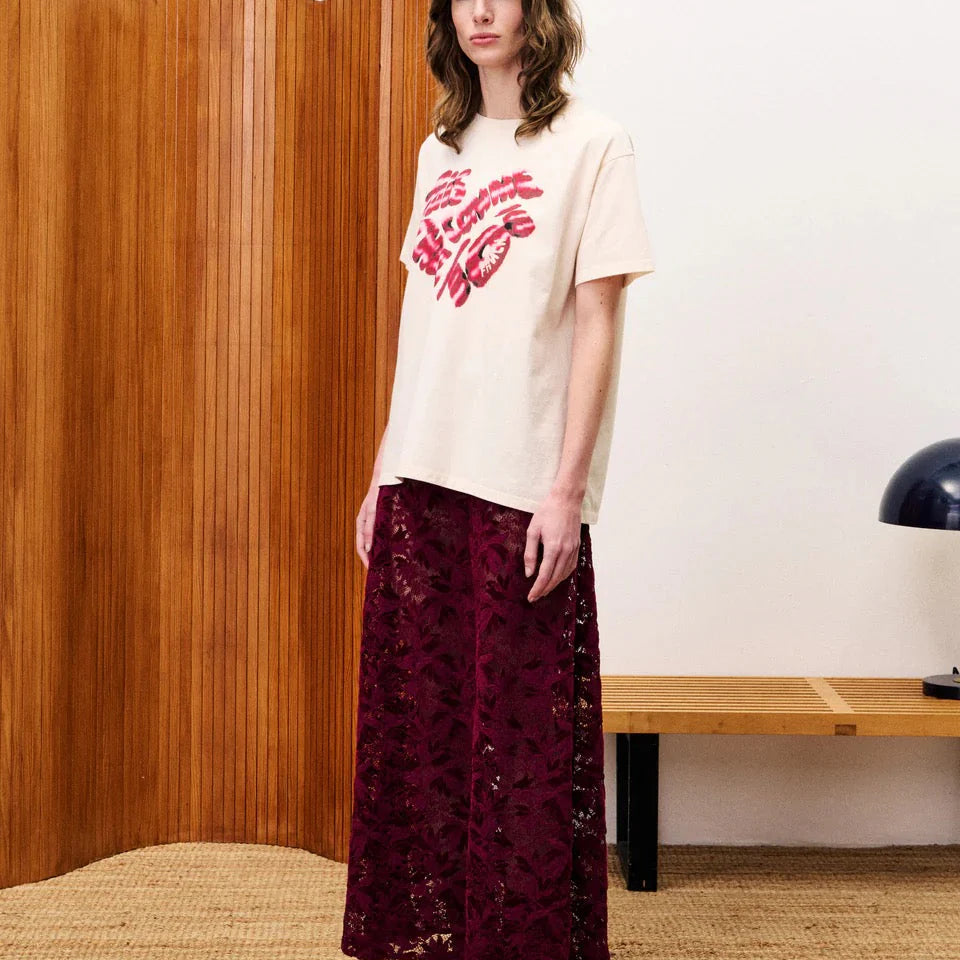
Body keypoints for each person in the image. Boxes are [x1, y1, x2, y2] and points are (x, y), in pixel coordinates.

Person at [341, 1, 655, 958]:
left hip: (518, 487)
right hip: (420, 477)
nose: (481, 9)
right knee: (421, 744)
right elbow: (423, 325)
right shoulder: (439, 152)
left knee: (519, 745)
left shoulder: (594, 146)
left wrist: (567, 491)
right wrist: (384, 468)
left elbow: (597, 322)